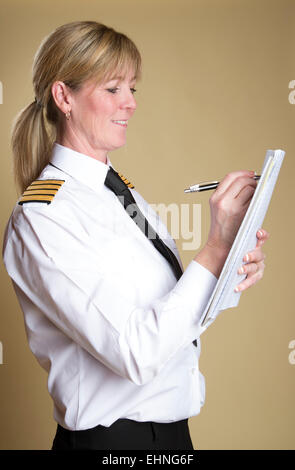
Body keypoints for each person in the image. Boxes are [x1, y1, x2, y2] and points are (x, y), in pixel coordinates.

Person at [2, 21, 268, 450]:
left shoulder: (123, 196)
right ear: (64, 96)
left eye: (132, 89)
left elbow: (167, 321)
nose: (130, 103)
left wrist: (229, 264)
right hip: (112, 445)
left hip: (172, 439)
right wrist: (214, 250)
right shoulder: (42, 217)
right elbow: (136, 353)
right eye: (113, 89)